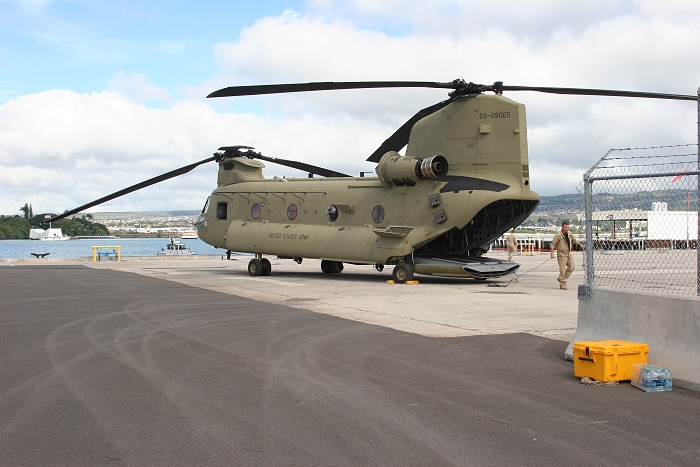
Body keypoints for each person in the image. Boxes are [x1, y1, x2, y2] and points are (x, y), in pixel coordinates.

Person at [550, 222, 583, 290]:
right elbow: (553, 244)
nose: (566, 229)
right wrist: (552, 253)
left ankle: (562, 278)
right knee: (562, 268)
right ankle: (563, 284)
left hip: (568, 253)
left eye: (568, 227)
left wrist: (580, 244)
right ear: (562, 227)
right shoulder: (558, 235)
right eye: (565, 227)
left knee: (572, 267)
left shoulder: (569, 234)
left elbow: (574, 240)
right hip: (561, 253)